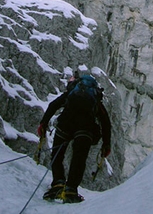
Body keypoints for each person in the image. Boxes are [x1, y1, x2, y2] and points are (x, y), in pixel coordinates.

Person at [37, 72, 111, 203]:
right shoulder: (95, 99)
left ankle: (58, 184)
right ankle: (71, 189)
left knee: (57, 154)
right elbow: (105, 122)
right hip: (86, 127)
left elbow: (53, 105)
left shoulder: (71, 94)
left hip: (66, 123)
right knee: (79, 158)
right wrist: (106, 144)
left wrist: (43, 123)